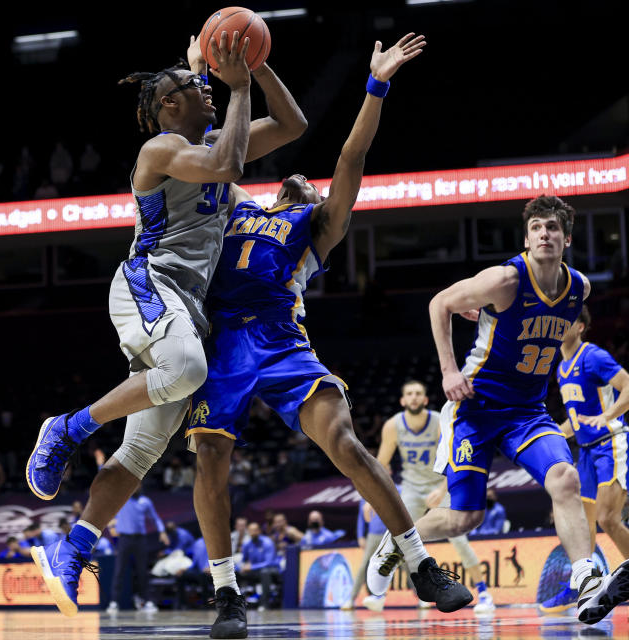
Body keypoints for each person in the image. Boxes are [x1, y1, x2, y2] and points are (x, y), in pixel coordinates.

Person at [188, 33, 467, 638]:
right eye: (300, 179)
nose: (304, 180)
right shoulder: (233, 202)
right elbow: (213, 149)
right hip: (223, 344)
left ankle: (419, 564)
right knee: (210, 455)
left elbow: (349, 160)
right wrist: (205, 78)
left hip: (281, 340)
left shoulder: (313, 226)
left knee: (344, 442)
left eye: (311, 185)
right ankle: (227, 593)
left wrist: (376, 86)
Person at [27, 31, 307, 619]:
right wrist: (232, 87)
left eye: (208, 86)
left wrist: (258, 67)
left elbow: (293, 125)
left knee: (140, 452)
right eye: (192, 88)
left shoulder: (214, 150)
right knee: (185, 368)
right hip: (147, 284)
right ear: (169, 109)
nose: (205, 90)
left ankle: (70, 550)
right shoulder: (160, 150)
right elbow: (225, 159)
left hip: (187, 309)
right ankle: (69, 427)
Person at [369, 195, 629, 625]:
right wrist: (450, 370)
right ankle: (395, 543)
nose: (545, 234)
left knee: (565, 477)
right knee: (465, 517)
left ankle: (586, 579)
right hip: (476, 406)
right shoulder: (506, 279)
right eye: (537, 228)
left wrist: (490, 319)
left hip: (527, 410)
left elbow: (525, 330)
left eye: (552, 228)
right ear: (527, 237)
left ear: (566, 238)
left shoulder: (579, 288)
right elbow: (439, 304)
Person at [376, 379, 495, 612]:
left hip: (438, 484)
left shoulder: (438, 420)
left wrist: (441, 490)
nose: (413, 397)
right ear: (402, 400)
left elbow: (452, 458)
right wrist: (372, 500)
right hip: (411, 488)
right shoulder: (392, 426)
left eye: (418, 393)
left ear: (425, 398)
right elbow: (381, 464)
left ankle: (484, 592)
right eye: (409, 393)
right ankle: (385, 592)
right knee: (398, 540)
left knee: (459, 540)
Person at [554, 307, 629, 575]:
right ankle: (587, 582)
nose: (559, 324)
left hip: (611, 443)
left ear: (580, 327)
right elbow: (575, 422)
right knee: (584, 528)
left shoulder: (593, 356)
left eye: (566, 320)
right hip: (585, 452)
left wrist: (607, 415)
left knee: (608, 518)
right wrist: (550, 434)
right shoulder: (561, 368)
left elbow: (627, 384)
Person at [106, 489, 170, 614]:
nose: (135, 486)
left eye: (138, 483)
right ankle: (114, 602)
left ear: (140, 485)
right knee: (119, 571)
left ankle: (147, 601)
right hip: (124, 539)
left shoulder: (145, 501)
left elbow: (155, 518)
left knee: (142, 571)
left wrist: (162, 531)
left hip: (140, 539)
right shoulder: (121, 498)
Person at [343, 498, 388, 611]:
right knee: (363, 566)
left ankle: (420, 598)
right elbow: (360, 519)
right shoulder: (365, 495)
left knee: (405, 563)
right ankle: (351, 599)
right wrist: (360, 536)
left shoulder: (396, 489)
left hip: (391, 533)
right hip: (372, 535)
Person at [238, 522, 281, 612]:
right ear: (248, 532)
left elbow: (269, 562)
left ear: (259, 531)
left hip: (272, 570)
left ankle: (265, 604)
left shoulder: (267, 542)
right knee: (236, 573)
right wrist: (242, 567)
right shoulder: (246, 544)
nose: (253, 533)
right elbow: (243, 560)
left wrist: (251, 567)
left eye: (255, 530)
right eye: (251, 531)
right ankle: (237, 604)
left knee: (264, 572)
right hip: (256, 571)